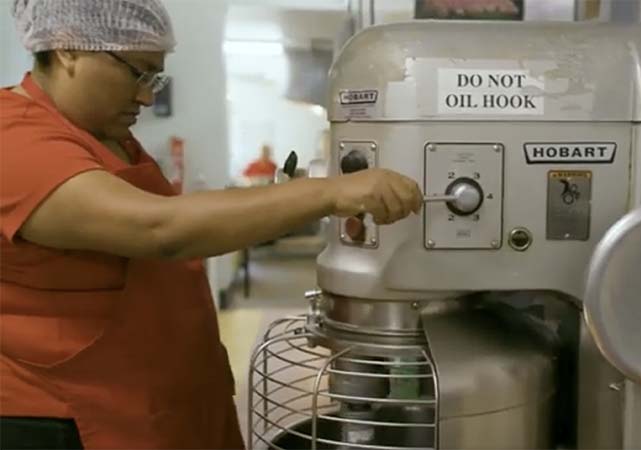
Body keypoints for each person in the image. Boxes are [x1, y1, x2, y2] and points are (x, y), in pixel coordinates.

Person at [0, 1, 422, 449]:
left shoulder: (103, 135)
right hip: (78, 420)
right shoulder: (14, 138)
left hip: (161, 405)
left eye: (154, 78)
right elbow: (157, 230)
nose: (147, 96)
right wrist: (332, 192)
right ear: (68, 49)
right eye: (138, 73)